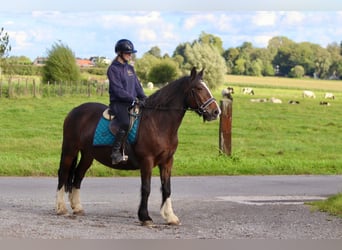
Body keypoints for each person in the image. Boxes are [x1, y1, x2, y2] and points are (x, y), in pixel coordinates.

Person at [107, 39, 146, 164]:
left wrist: (144, 98)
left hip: (132, 102)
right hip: (118, 103)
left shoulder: (130, 68)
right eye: (128, 53)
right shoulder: (113, 69)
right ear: (120, 53)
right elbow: (117, 90)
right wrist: (133, 99)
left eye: (131, 53)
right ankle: (115, 152)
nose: (130, 55)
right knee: (125, 122)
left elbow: (137, 86)